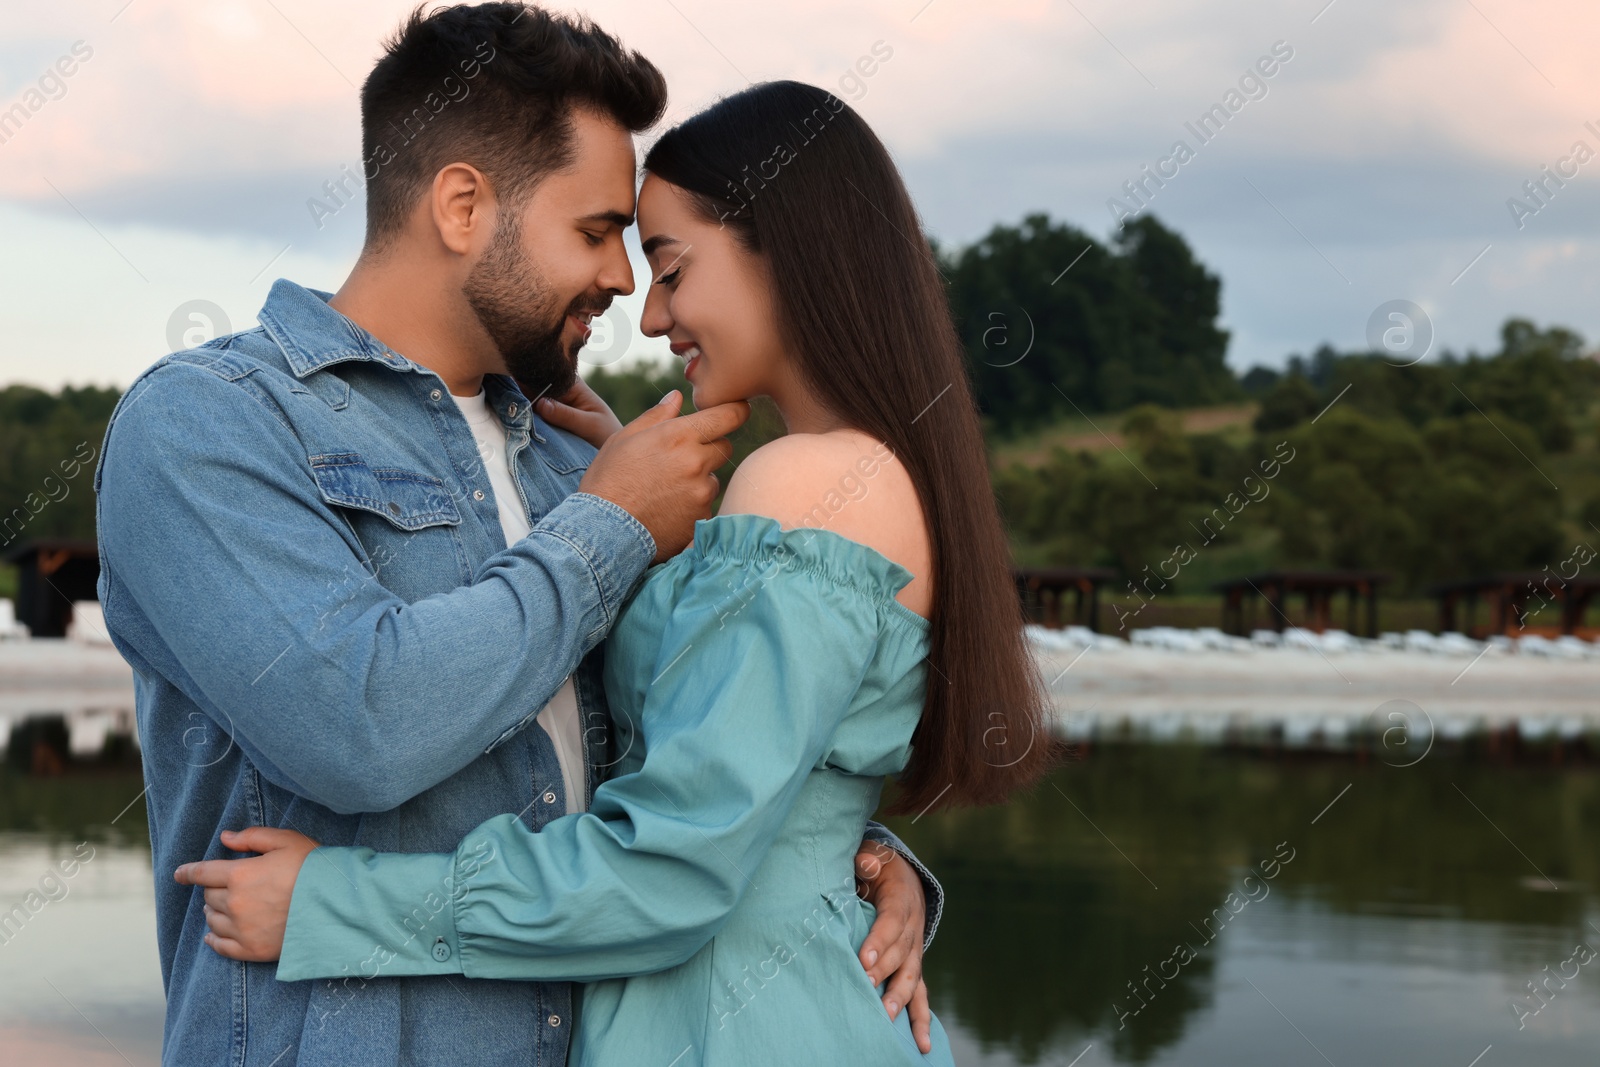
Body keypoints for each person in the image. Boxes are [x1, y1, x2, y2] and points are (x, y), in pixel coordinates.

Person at [93, 7, 941, 1066]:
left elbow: (686, 763)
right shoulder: (210, 424)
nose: (626, 283)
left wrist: (845, 850)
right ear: (461, 205)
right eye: (594, 232)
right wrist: (610, 527)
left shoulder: (578, 465)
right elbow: (356, 723)